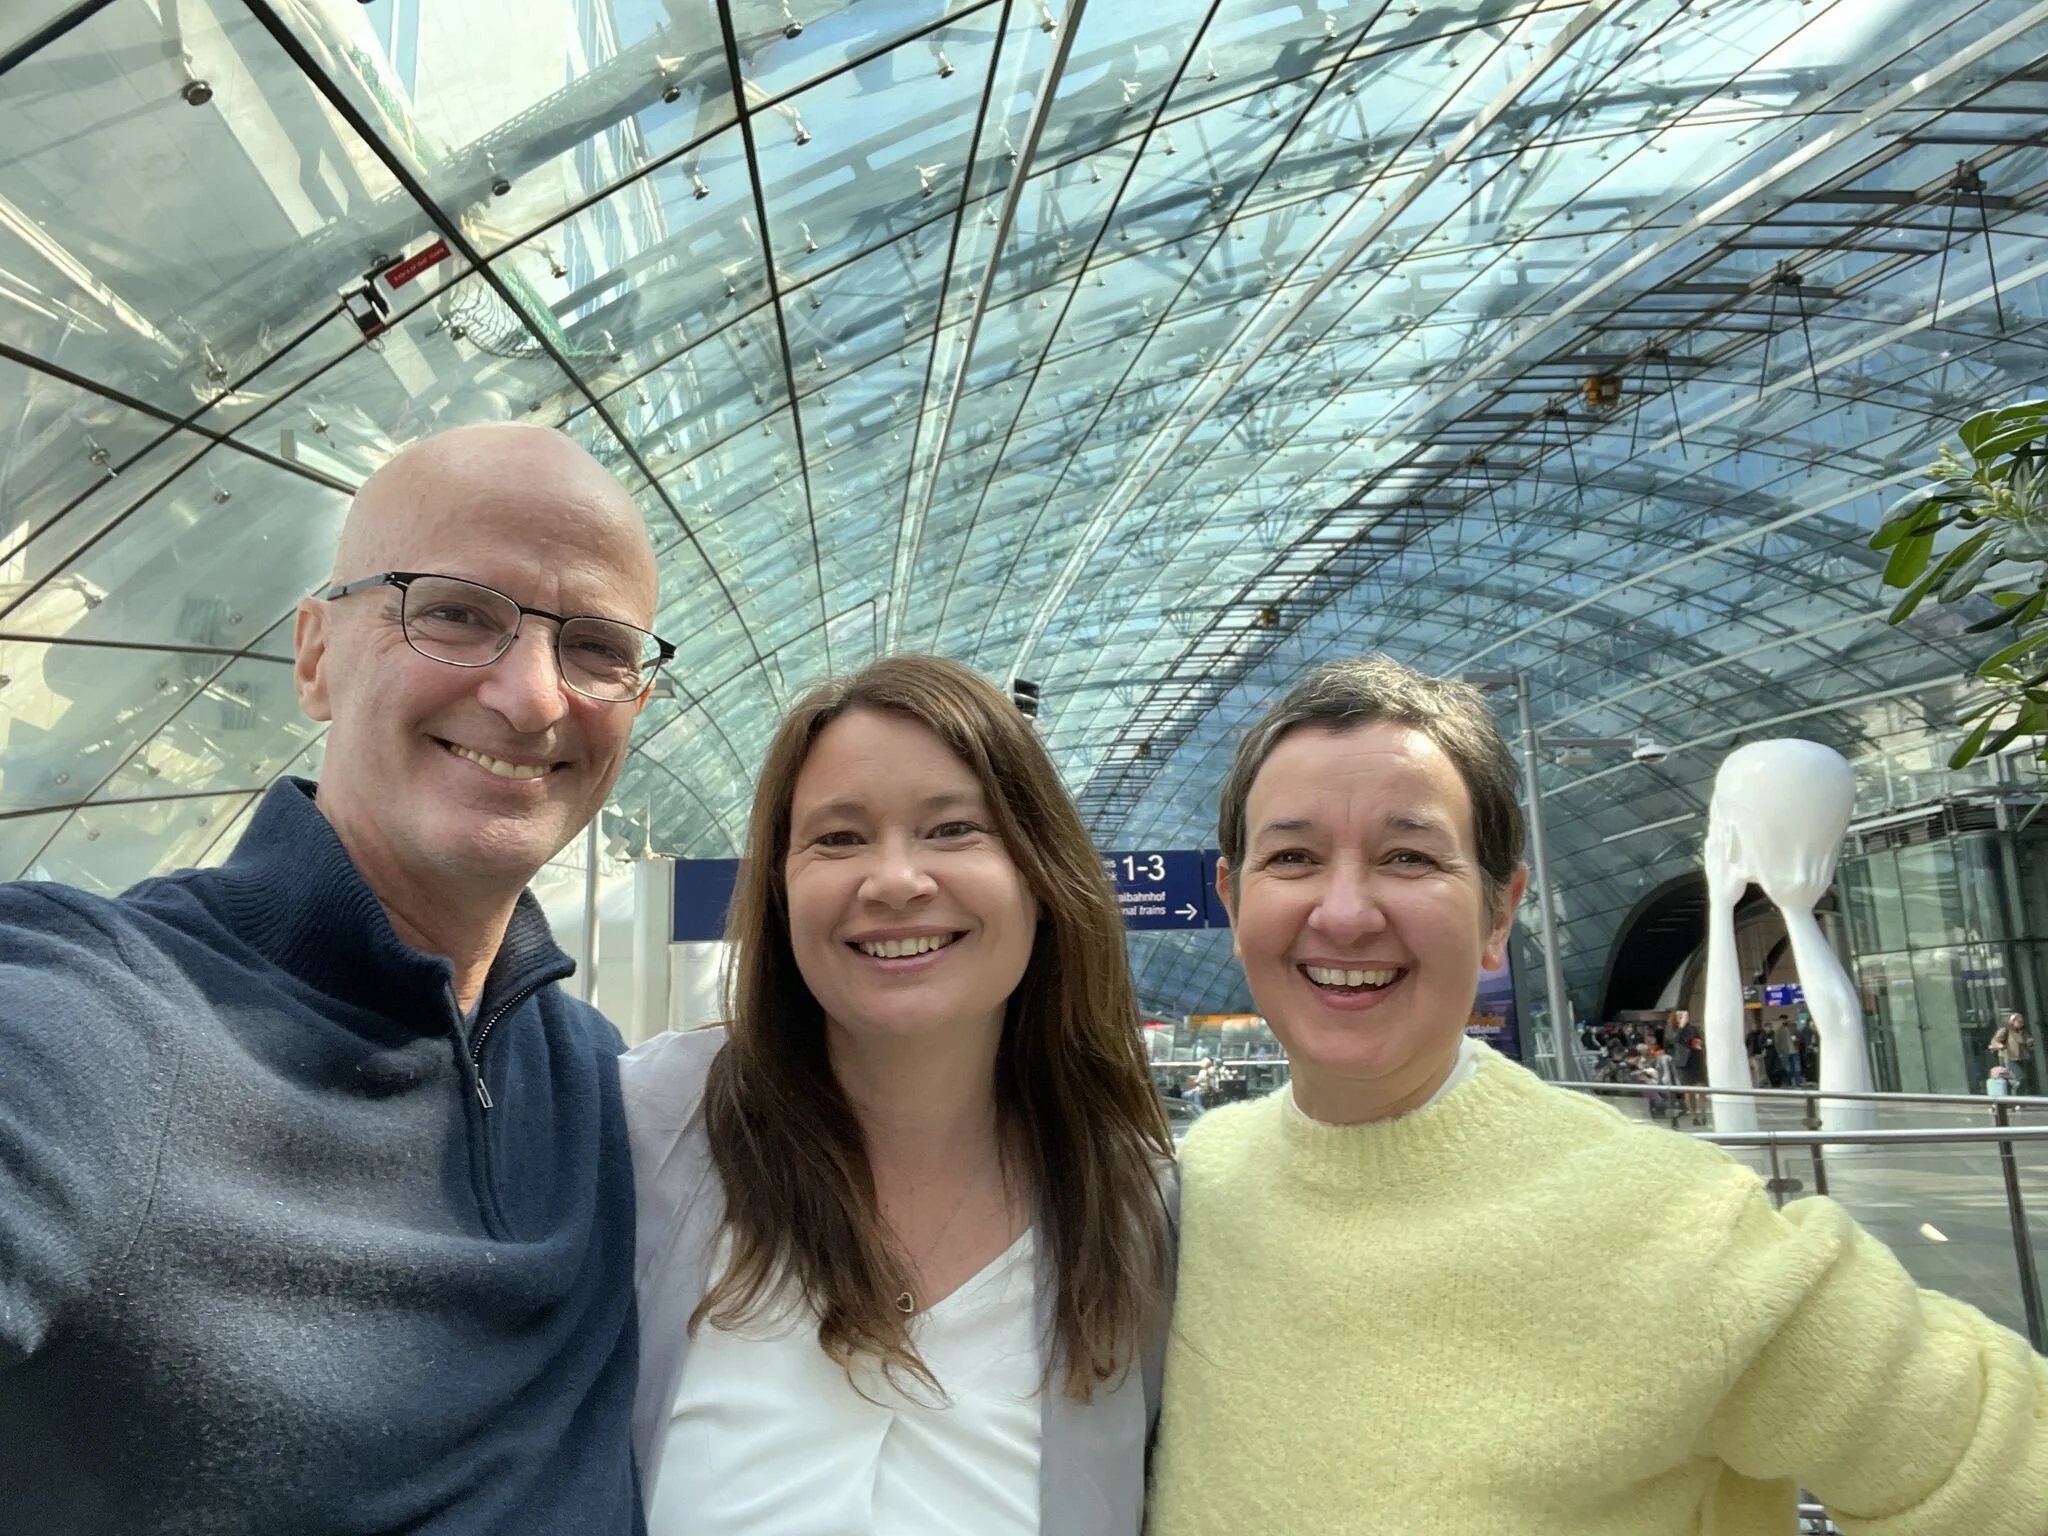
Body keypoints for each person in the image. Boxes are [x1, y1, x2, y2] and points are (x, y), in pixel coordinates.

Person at [1150, 655, 2048, 1535]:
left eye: (1409, 856)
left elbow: (2001, 1472)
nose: (1344, 914)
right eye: (1295, 856)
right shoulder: (1196, 1187)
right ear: (1235, 901)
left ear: (1500, 914)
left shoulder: (1684, 1230)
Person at [0, 424, 665, 1534]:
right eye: (455, 611)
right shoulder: (108, 1025)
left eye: (596, 646)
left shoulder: (594, 1080)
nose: (534, 698)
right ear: (314, 655)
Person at [621, 655, 1175, 1535]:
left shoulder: (1136, 1210)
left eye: (954, 829)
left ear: (1041, 879)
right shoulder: (646, 1132)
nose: (894, 880)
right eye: (838, 839)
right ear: (780, 890)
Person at [1992, 1009, 2035, 1093]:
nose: (2021, 1024)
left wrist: (2029, 1042)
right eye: (2019, 1022)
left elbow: (2026, 1041)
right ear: (2012, 1022)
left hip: (2021, 1057)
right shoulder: (2005, 1030)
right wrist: (2001, 1046)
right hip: (2010, 1057)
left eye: (2022, 1022)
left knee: (2023, 1079)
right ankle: (2015, 1097)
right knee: (2019, 1078)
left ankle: (2019, 1097)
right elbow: (1995, 1041)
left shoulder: (2022, 1031)